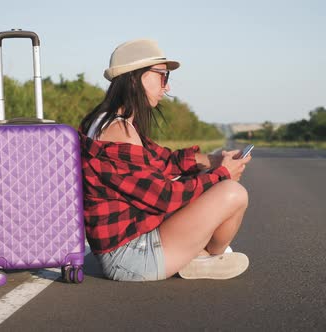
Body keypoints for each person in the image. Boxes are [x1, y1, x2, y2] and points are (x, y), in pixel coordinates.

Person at [79, 39, 251, 281]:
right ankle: (206, 257)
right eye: (163, 76)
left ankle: (199, 257)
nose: (167, 87)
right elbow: (164, 197)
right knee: (233, 192)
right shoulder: (118, 132)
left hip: (131, 242)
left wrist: (214, 161)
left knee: (207, 180)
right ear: (135, 77)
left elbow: (166, 161)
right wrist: (222, 175)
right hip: (130, 258)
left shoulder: (114, 122)